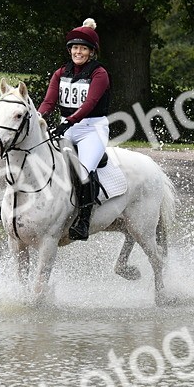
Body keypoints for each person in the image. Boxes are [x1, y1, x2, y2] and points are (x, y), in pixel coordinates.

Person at [37, 18, 111, 241]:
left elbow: (90, 103)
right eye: (75, 48)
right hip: (66, 127)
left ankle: (83, 221)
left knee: (83, 171)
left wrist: (69, 121)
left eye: (83, 48)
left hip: (92, 130)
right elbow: (49, 103)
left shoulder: (99, 74)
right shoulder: (61, 73)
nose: (78, 52)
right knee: (37, 158)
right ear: (70, 50)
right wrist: (38, 118)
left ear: (91, 52)